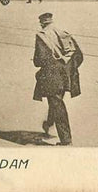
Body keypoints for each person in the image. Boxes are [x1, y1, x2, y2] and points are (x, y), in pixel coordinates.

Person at [33, 12, 83, 146]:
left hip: (52, 75)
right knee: (55, 100)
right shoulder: (63, 32)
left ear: (42, 23)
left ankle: (66, 140)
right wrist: (68, 68)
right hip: (66, 74)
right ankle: (48, 124)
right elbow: (79, 55)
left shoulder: (42, 36)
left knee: (57, 104)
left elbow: (39, 60)